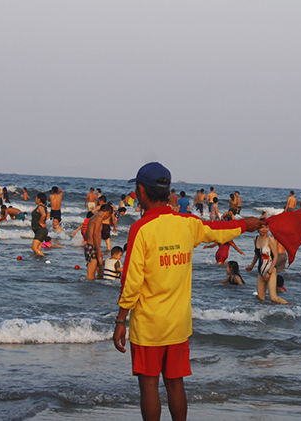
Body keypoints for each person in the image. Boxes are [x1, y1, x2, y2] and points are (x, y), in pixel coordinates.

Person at [112, 163, 266, 421]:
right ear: (168, 191)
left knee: (149, 385)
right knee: (175, 384)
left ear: (140, 190)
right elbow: (217, 231)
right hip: (178, 324)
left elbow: (131, 283)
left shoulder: (141, 229)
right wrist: (247, 224)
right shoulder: (187, 224)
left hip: (149, 324)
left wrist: (120, 320)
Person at [243, 224, 289, 304]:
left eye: (266, 227)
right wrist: (252, 265)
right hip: (260, 270)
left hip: (271, 270)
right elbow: (257, 254)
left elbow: (275, 257)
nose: (264, 229)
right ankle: (263, 314)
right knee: (260, 298)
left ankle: (291, 308)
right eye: (262, 227)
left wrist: (269, 272)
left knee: (273, 298)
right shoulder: (256, 239)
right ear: (257, 228)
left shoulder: (270, 239)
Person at [86, 204, 113, 279]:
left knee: (99, 273)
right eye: (109, 215)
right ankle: (87, 289)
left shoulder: (92, 217)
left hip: (90, 246)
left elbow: (86, 233)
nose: (107, 217)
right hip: (93, 247)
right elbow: (95, 234)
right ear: (107, 212)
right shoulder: (99, 218)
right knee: (91, 276)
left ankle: (95, 289)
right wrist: (98, 250)